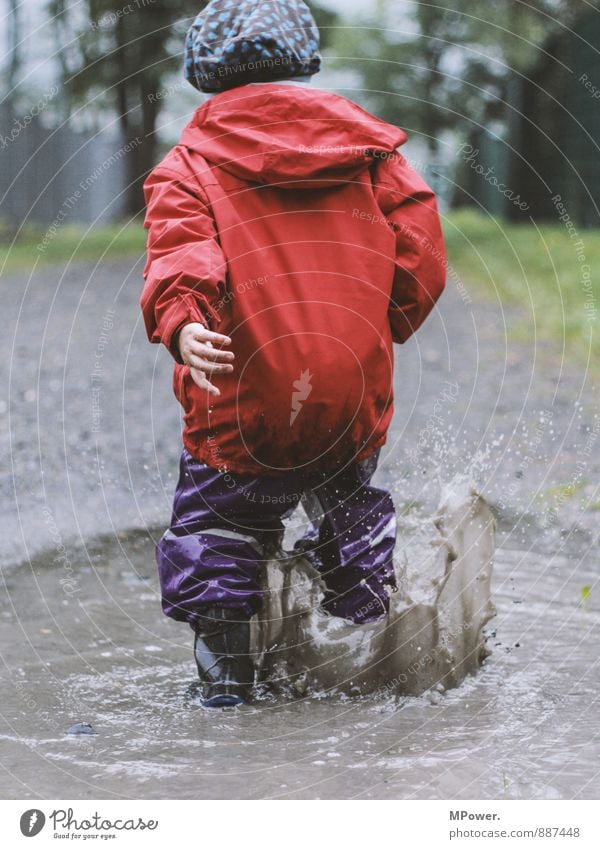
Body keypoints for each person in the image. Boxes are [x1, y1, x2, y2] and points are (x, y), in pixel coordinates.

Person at [141, 0, 446, 707]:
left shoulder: (189, 163)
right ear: (305, 61)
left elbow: (180, 250)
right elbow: (421, 260)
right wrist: (377, 324)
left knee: (217, 527)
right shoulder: (374, 156)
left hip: (238, 399)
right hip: (346, 393)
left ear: (206, 73)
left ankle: (226, 689)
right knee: (349, 508)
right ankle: (368, 655)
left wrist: (184, 323)